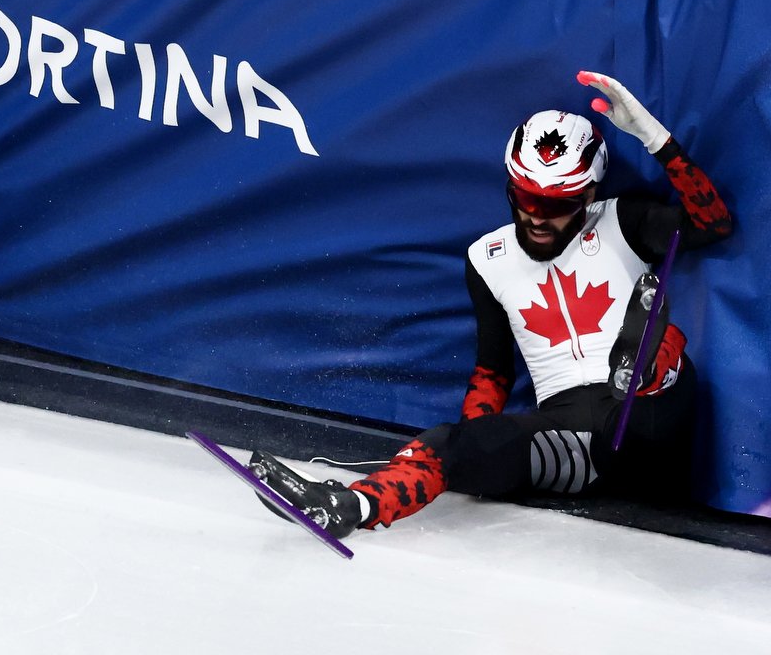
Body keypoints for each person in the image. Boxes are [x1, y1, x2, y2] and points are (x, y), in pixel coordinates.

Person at [251, 71, 735, 537]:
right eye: (525, 197)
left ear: (590, 195)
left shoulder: (623, 222)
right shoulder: (487, 259)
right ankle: (348, 506)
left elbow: (712, 223)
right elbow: (493, 373)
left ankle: (643, 369)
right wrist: (475, 447)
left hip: (650, 423)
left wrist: (656, 140)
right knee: (452, 440)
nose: (535, 216)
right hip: (577, 444)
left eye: (555, 204)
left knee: (664, 352)